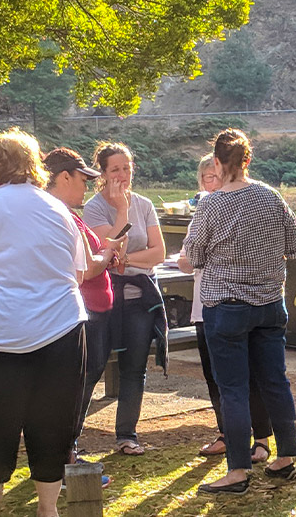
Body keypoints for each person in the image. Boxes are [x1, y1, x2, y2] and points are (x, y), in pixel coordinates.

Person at [0, 129, 108, 517]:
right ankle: (47, 509)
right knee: (53, 424)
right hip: (61, 329)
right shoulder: (60, 210)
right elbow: (78, 273)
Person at [176, 129, 296, 494]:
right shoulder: (271, 196)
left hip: (227, 307)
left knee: (233, 389)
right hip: (270, 304)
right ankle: (286, 457)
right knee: (275, 381)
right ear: (248, 160)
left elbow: (193, 256)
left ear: (217, 162)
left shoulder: (211, 204)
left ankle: (237, 471)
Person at [81, 142, 168, 456]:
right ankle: (68, 438)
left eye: (126, 168)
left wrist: (128, 261)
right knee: (93, 366)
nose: (122, 175)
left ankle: (127, 435)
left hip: (139, 297)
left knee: (134, 367)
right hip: (105, 298)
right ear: (103, 174)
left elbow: (159, 253)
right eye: (115, 169)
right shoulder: (93, 208)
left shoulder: (144, 204)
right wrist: (121, 210)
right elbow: (111, 249)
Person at [189, 155, 273, 461]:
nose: (212, 183)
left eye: (216, 176)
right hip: (204, 304)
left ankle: (261, 439)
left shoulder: (245, 205)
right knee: (215, 376)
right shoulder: (202, 211)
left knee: (250, 375)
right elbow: (189, 258)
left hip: (240, 303)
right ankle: (226, 433)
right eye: (206, 178)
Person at [42, 148, 122, 460]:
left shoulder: (66, 214)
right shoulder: (60, 215)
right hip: (83, 312)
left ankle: (67, 448)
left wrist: (104, 254)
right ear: (64, 177)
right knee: (76, 385)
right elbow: (87, 268)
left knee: (82, 382)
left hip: (92, 311)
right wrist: (108, 253)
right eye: (82, 179)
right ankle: (66, 452)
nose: (86, 187)